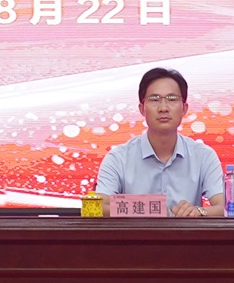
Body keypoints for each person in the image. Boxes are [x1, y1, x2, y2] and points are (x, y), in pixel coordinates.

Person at [94, 67, 226, 217]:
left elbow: (227, 207)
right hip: (135, 233)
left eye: (172, 99)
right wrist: (149, 208)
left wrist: (199, 212)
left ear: (184, 108)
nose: (163, 108)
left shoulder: (203, 156)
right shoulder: (118, 158)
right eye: (154, 99)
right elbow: (97, 208)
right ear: (142, 109)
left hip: (186, 233)